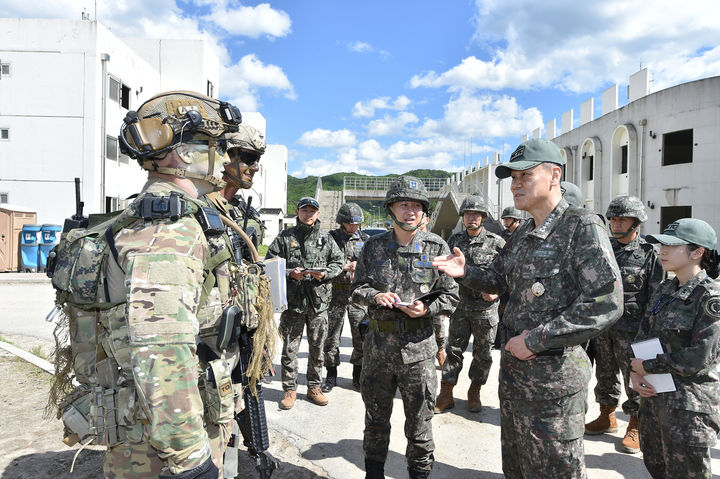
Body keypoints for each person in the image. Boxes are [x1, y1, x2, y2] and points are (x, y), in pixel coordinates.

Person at [433, 138, 622, 479]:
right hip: (516, 381)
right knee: (517, 469)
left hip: (554, 384)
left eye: (525, 175)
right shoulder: (523, 234)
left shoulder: (580, 226)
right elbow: (497, 280)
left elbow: (606, 301)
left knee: (554, 471)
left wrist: (535, 340)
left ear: (554, 176)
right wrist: (466, 272)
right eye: (512, 178)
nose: (515, 184)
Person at [106, 91, 244, 478]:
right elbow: (161, 351)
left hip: (159, 430)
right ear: (182, 155)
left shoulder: (181, 216)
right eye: (215, 146)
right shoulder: (168, 229)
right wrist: (190, 461)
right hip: (159, 450)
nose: (224, 157)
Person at [351, 176, 459, 479]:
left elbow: (451, 296)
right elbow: (357, 288)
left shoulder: (437, 247)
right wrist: (375, 295)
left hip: (419, 353)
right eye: (403, 204)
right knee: (375, 422)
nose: (409, 210)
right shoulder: (373, 247)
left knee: (420, 426)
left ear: (423, 211)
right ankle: (373, 474)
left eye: (415, 205)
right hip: (378, 350)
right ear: (392, 209)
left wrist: (427, 307)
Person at [630, 218, 720, 479]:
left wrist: (646, 366)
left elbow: (699, 357)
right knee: (656, 467)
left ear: (698, 252)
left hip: (688, 408)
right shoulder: (666, 289)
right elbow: (642, 335)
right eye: (662, 245)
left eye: (672, 246)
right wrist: (635, 372)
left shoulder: (710, 297)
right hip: (654, 399)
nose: (663, 251)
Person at [584, 196, 663, 454]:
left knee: (635, 379)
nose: (616, 224)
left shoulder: (650, 254)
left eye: (622, 219)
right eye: (613, 219)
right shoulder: (602, 248)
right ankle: (607, 416)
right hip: (603, 327)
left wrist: (650, 337)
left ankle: (637, 423)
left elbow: (656, 299)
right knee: (604, 373)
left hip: (634, 331)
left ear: (637, 223)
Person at [266, 197, 344, 409]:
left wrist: (325, 274)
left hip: (319, 304)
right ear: (297, 212)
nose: (309, 214)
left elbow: (339, 263)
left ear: (318, 214)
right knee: (290, 349)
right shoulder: (285, 237)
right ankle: (289, 389)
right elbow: (270, 262)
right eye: (305, 210)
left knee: (317, 348)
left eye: (312, 211)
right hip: (294, 303)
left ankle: (314, 388)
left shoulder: (326, 239)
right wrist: (290, 273)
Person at [435, 195, 505, 414]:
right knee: (453, 350)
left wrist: (496, 293)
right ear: (463, 217)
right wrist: (447, 301)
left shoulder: (497, 242)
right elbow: (445, 273)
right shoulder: (455, 241)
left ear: (483, 217)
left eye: (476, 214)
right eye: (467, 214)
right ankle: (446, 393)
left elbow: (510, 275)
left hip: (485, 310)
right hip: (461, 308)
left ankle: (475, 391)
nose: (471, 217)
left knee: (483, 354)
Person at [322, 202, 370, 392]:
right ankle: (331, 375)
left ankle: (357, 377)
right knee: (331, 338)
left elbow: (372, 265)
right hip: (335, 294)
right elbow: (321, 262)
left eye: (356, 224)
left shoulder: (366, 240)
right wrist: (344, 266)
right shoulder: (329, 239)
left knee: (361, 337)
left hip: (357, 297)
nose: (353, 227)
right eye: (349, 224)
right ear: (341, 222)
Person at [418, 215, 448, 368]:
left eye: (422, 217)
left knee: (438, 326)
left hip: (432, 294)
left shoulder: (436, 243)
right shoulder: (408, 241)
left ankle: (440, 349)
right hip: (414, 294)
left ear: (427, 220)